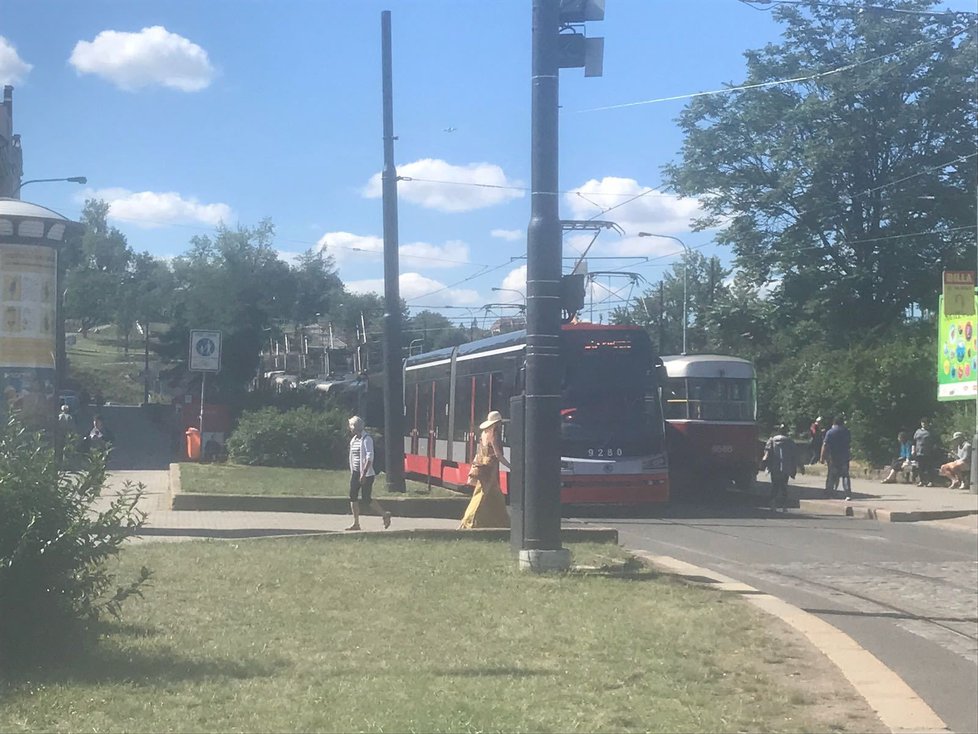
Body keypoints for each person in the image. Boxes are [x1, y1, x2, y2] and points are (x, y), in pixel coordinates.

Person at [459, 410, 510, 529]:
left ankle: (503, 522)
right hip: (490, 470)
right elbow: (498, 455)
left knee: (496, 497)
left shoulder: (484, 433)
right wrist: (510, 466)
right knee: (481, 495)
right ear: (497, 423)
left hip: (484, 467)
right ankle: (468, 521)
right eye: (500, 423)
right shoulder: (495, 435)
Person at [345, 415, 391, 531]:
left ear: (355, 427)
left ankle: (384, 514)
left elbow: (369, 458)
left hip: (366, 474)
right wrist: (355, 472)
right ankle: (356, 523)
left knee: (366, 498)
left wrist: (363, 473)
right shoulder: (354, 440)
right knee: (353, 496)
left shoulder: (367, 439)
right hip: (355, 472)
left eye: (351, 426)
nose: (350, 428)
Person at [762, 423, 799, 512]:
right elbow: (795, 455)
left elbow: (767, 454)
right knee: (783, 485)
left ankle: (772, 503)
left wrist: (764, 463)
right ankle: (784, 505)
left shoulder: (771, 440)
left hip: (774, 467)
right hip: (786, 467)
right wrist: (798, 466)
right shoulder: (790, 441)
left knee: (775, 485)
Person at [820, 415, 851, 500]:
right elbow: (849, 443)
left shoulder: (830, 432)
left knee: (832, 475)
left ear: (834, 422)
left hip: (833, 457)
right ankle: (848, 494)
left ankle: (830, 492)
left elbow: (825, 445)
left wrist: (822, 457)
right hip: (844, 456)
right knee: (845, 475)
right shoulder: (847, 431)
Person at [912, 418, 938, 487]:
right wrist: (913, 450)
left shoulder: (931, 432)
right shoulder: (917, 431)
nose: (924, 424)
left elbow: (935, 442)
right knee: (920, 468)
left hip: (928, 452)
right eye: (922, 422)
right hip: (919, 452)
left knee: (929, 468)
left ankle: (930, 481)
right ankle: (921, 481)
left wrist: (934, 449)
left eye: (925, 422)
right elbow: (914, 442)